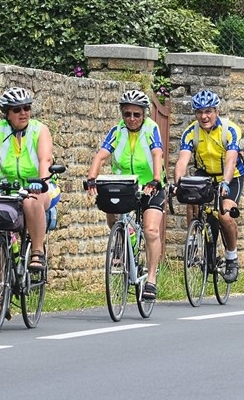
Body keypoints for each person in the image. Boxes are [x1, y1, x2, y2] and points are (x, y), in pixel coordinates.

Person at [85, 89, 166, 300]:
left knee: (150, 230)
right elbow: (101, 156)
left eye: (136, 114)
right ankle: (123, 239)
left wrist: (156, 179)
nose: (131, 119)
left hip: (150, 185)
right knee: (110, 210)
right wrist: (91, 178)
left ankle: (151, 279)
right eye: (127, 114)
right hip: (126, 185)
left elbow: (157, 153)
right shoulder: (117, 130)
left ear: (144, 114)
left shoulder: (151, 128)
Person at [0, 87, 60, 273]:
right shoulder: (0, 130)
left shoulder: (39, 130)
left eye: (27, 108)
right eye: (17, 109)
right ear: (7, 113)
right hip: (9, 187)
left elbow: (45, 159)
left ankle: (37, 251)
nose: (23, 113)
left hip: (41, 185)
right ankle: (1, 275)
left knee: (31, 201)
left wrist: (41, 181)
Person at [173, 89, 244, 284]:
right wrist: (178, 183)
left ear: (216, 111)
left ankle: (232, 258)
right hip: (205, 175)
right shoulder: (191, 132)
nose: (204, 116)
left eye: (208, 111)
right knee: (189, 194)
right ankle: (193, 241)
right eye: (199, 112)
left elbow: (231, 160)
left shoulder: (230, 130)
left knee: (225, 215)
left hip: (231, 176)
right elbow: (182, 161)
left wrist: (225, 183)